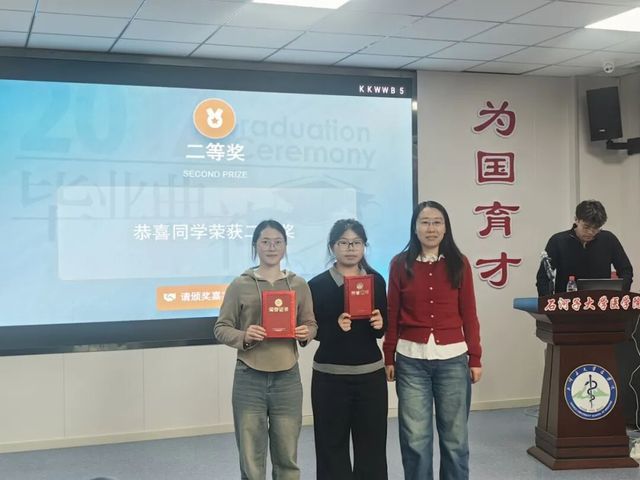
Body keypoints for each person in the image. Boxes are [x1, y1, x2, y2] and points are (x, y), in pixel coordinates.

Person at [383, 201, 482, 480]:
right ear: (414, 228)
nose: (431, 228)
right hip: (411, 361)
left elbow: (469, 313)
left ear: (446, 227)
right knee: (415, 439)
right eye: (425, 222)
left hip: (453, 360)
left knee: (455, 439)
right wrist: (389, 355)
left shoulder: (459, 263)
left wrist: (475, 357)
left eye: (437, 222)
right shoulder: (399, 264)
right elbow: (392, 312)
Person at [214, 219, 317, 480]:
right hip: (249, 377)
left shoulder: (298, 284)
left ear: (285, 246)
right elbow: (221, 327)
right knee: (251, 457)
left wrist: (306, 333)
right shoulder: (240, 284)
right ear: (255, 246)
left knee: (287, 456)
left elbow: (311, 323)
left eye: (278, 242)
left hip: (287, 377)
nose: (272, 247)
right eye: (265, 242)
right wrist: (244, 336)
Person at [308, 219, 388, 480]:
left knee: (372, 447)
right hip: (330, 377)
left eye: (356, 242)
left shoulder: (376, 281)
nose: (350, 248)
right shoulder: (316, 285)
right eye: (343, 242)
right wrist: (334, 327)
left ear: (364, 246)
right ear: (332, 247)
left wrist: (380, 324)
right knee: (331, 447)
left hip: (370, 376)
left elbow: (381, 328)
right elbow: (311, 330)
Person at [536, 199, 633, 296]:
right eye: (586, 227)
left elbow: (626, 270)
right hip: (566, 302)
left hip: (601, 301)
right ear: (576, 220)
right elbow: (543, 277)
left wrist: (620, 296)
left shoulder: (608, 239)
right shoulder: (558, 241)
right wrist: (548, 301)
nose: (590, 232)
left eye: (596, 228)